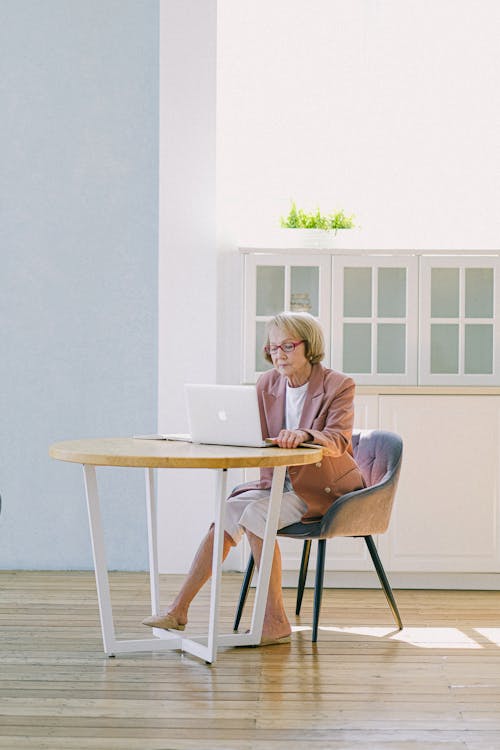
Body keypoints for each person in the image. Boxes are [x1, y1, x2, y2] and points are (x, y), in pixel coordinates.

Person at [142, 312, 364, 645]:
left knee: (257, 515)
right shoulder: (268, 383)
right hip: (278, 484)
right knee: (227, 514)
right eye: (273, 348)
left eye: (288, 346)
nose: (279, 355)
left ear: (310, 346)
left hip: (324, 489)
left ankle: (274, 620)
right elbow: (254, 433)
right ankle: (178, 610)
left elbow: (338, 440)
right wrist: (214, 434)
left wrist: (304, 434)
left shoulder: (338, 384)